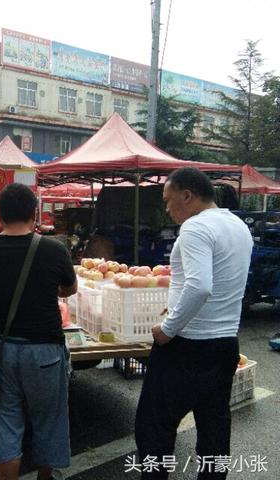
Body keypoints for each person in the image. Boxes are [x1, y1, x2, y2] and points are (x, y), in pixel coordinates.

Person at [135, 167, 253, 479]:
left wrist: (168, 328)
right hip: (225, 344)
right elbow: (221, 282)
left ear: (187, 195)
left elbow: (200, 286)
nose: (167, 208)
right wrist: (175, 306)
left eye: (168, 200)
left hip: (187, 346)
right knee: (214, 431)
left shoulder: (195, 228)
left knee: (154, 428)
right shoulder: (238, 226)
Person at [0, 183, 78, 480]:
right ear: (34, 213)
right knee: (49, 418)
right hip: (44, 350)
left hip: (0, 348)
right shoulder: (54, 249)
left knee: (5, 420)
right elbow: (69, 288)